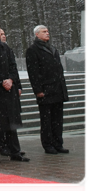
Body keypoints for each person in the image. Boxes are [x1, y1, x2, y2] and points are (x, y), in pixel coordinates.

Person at [0, 23, 30, 163]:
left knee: (12, 124)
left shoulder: (6, 47)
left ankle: (15, 152)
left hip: (9, 91)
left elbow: (13, 66)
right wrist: (1, 81)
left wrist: (11, 79)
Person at [26, 25, 69, 154]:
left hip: (57, 89)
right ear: (37, 35)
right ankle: (48, 144)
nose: (47, 33)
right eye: (44, 32)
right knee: (47, 120)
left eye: (47, 31)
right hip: (45, 90)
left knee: (57, 119)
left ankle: (58, 143)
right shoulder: (33, 50)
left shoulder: (52, 48)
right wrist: (38, 90)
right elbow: (33, 72)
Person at [0, 28, 26, 157]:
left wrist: (16, 84)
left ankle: (13, 147)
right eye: (0, 33)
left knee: (13, 120)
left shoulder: (8, 49)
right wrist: (3, 81)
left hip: (12, 89)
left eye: (4, 34)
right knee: (3, 121)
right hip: (1, 90)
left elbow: (13, 68)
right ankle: (4, 146)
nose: (2, 36)